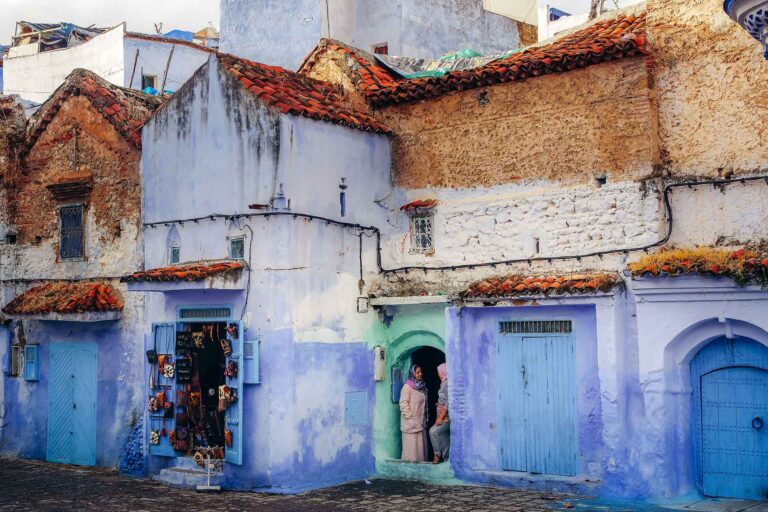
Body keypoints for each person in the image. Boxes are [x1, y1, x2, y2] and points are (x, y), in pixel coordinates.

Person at [399, 364, 428, 462]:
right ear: (412, 373)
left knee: (419, 450)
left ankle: (420, 471)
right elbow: (403, 404)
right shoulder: (407, 387)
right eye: (417, 372)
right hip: (410, 424)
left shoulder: (421, 386)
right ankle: (409, 470)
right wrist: (410, 418)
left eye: (420, 372)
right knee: (411, 451)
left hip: (420, 423)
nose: (420, 374)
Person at [429, 363, 450, 463]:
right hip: (442, 414)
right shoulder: (444, 382)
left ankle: (437, 454)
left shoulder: (447, 384)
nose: (438, 374)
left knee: (433, 432)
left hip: (445, 417)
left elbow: (448, 403)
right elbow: (445, 398)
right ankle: (446, 458)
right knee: (444, 436)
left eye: (438, 372)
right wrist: (439, 402)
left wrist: (441, 418)